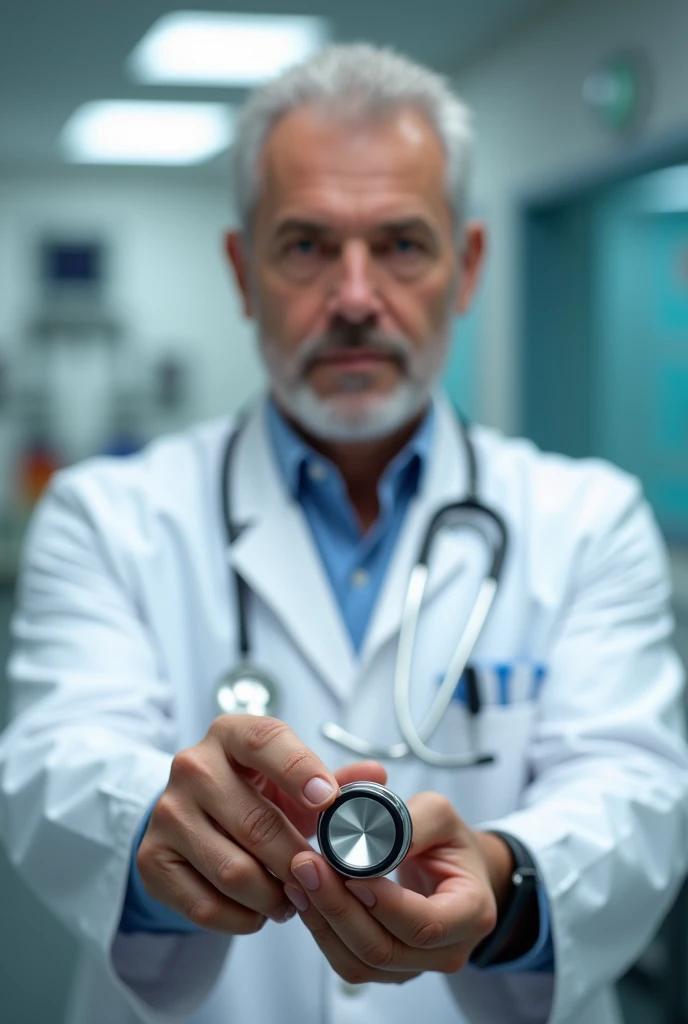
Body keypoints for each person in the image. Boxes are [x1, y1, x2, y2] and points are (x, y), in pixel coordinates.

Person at [0, 43, 687, 1024]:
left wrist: (500, 883)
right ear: (244, 272)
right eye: (307, 245)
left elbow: (637, 794)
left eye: (402, 244)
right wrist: (156, 821)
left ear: (468, 266)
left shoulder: (588, 519)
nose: (356, 295)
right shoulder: (105, 516)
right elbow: (57, 759)